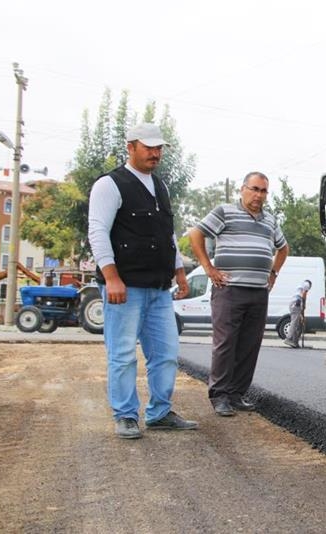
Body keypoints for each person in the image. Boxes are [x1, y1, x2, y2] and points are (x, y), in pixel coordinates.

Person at [88, 122, 198, 439]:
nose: (155, 153)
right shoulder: (110, 185)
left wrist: (179, 272)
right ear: (131, 147)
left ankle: (160, 412)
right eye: (148, 147)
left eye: (159, 147)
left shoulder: (160, 186)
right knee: (122, 354)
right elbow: (97, 232)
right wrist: (111, 278)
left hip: (159, 288)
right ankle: (125, 415)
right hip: (125, 286)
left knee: (165, 354)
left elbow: (168, 235)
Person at [188, 171, 289, 417]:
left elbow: (283, 248)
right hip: (229, 291)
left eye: (263, 191)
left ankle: (236, 394)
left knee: (249, 345)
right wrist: (209, 268)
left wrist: (273, 273)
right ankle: (220, 395)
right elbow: (195, 234)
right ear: (242, 189)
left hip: (258, 292)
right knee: (225, 343)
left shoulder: (270, 221)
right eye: (254, 189)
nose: (258, 195)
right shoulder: (225, 212)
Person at [283, 280, 311, 349]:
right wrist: (304, 304)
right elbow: (304, 295)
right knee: (294, 323)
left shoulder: (300, 287)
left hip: (294, 304)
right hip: (296, 304)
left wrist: (302, 315)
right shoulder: (307, 284)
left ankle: (295, 342)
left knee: (298, 324)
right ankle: (289, 338)